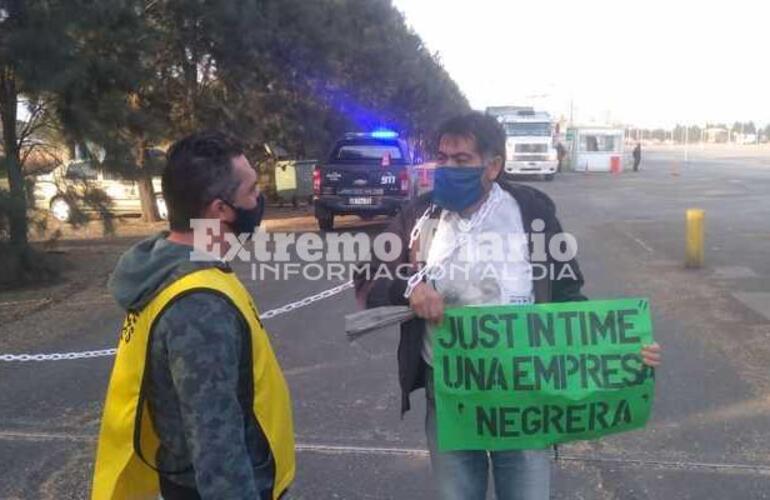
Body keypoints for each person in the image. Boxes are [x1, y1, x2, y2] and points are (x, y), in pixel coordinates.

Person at [354, 112, 661, 500]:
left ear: (493, 165)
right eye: (443, 157)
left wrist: (619, 346)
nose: (447, 168)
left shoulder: (531, 211)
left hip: (523, 389)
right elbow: (368, 274)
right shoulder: (420, 214)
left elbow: (567, 291)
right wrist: (409, 287)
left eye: (462, 160)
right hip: (451, 389)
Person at [92, 131, 295, 500]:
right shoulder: (199, 306)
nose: (259, 200)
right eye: (250, 192)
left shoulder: (172, 266)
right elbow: (217, 450)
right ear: (220, 210)